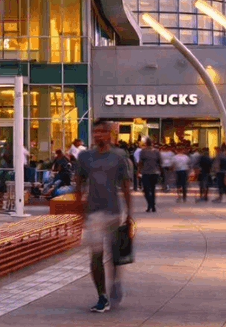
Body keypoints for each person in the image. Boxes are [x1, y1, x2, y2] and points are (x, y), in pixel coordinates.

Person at [75, 121, 132, 313]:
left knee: (116, 255)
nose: (98, 135)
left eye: (103, 131)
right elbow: (79, 183)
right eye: (96, 131)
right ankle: (102, 296)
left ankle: (115, 282)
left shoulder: (119, 156)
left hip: (114, 212)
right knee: (96, 256)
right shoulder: (85, 157)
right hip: (93, 213)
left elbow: (125, 185)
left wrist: (130, 214)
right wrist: (79, 209)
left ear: (110, 134)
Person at [138, 141, 162, 213]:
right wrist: (160, 172)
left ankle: (149, 205)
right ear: (152, 144)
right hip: (155, 172)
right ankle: (153, 205)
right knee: (153, 189)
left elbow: (140, 162)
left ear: (146, 144)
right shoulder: (157, 151)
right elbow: (160, 162)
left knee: (146, 190)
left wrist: (138, 171)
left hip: (145, 173)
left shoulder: (143, 151)